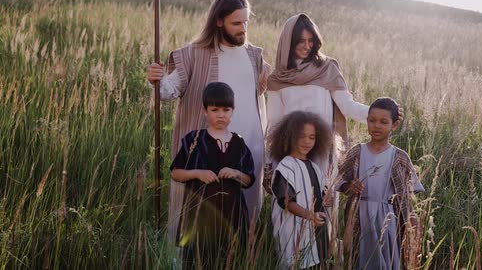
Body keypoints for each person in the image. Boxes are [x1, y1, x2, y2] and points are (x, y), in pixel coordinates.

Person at [147, 0, 270, 241]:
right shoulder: (193, 54)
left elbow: (278, 83)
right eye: (237, 23)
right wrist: (155, 79)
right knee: (198, 217)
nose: (243, 29)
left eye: (246, 22)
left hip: (247, 151)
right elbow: (168, 91)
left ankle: (239, 259)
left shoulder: (254, 56)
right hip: (206, 153)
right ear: (218, 21)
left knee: (242, 216)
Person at [265, 13, 369, 187]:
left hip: (322, 151)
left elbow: (347, 106)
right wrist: (270, 162)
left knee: (323, 205)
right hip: (290, 153)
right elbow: (274, 122)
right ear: (288, 42)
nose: (307, 46)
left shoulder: (327, 68)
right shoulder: (277, 79)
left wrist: (380, 112)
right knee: (292, 206)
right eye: (301, 41)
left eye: (311, 40)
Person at [170, 82, 255, 269]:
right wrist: (197, 173)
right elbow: (176, 173)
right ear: (205, 111)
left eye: (226, 109)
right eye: (215, 109)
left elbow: (249, 179)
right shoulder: (194, 139)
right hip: (199, 216)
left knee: (230, 260)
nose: (221, 115)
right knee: (199, 260)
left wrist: (235, 173)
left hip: (231, 216)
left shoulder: (239, 144)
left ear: (233, 111)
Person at [338, 97, 424, 270]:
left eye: (383, 122)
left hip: (388, 217)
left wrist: (414, 228)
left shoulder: (399, 157)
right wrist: (350, 187)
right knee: (358, 258)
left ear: (394, 125)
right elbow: (339, 182)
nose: (376, 126)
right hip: (359, 214)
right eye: (372, 121)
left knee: (387, 260)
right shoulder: (357, 151)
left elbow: (406, 198)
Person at [268, 111, 334, 269]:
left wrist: (327, 199)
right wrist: (310, 215)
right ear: (289, 136)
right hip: (294, 233)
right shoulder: (285, 167)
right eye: (301, 136)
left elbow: (321, 197)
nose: (307, 141)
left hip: (317, 231)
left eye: (312, 137)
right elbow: (286, 202)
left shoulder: (315, 167)